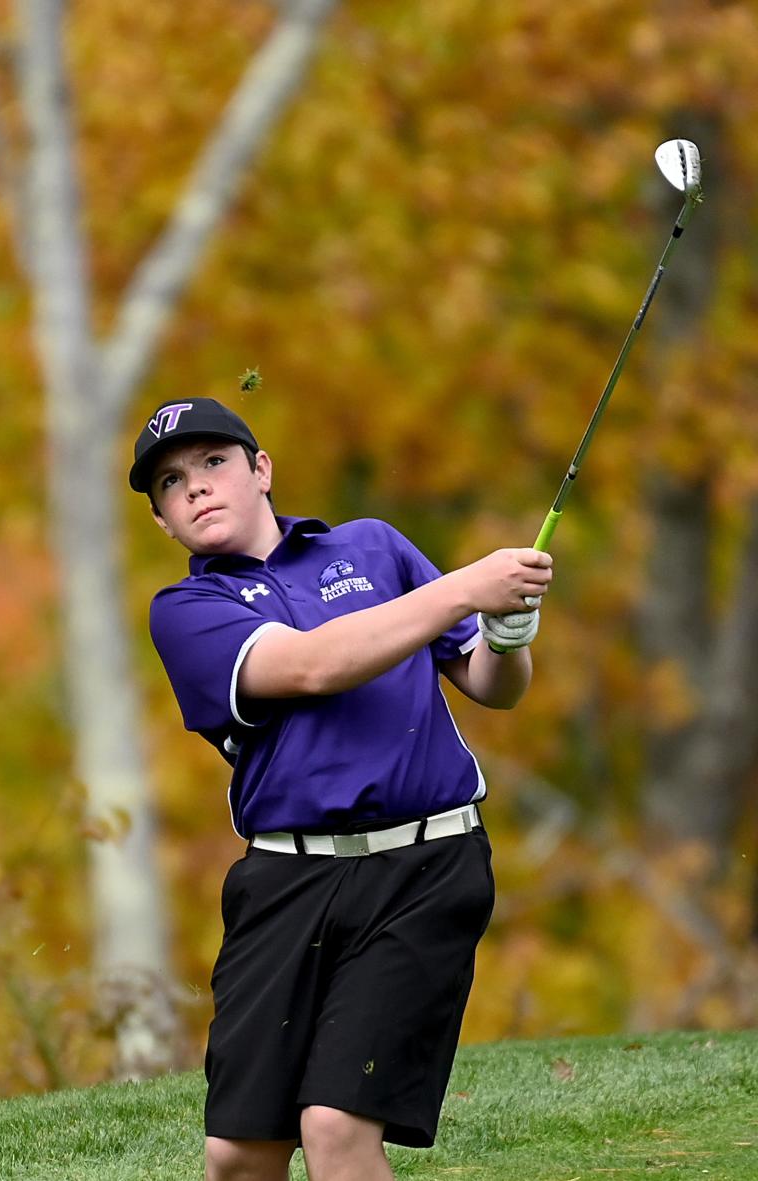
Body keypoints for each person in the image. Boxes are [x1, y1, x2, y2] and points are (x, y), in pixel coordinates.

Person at [129, 397, 553, 1181]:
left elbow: (493, 687)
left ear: (262, 470)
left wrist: (507, 634)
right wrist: (466, 587)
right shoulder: (188, 610)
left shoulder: (371, 548)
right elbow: (311, 666)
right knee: (238, 1152)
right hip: (288, 879)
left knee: (335, 1127)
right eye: (170, 482)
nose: (194, 487)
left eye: (214, 462)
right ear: (163, 521)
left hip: (427, 866)